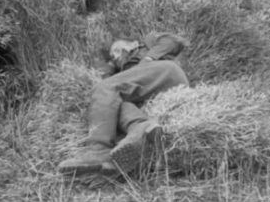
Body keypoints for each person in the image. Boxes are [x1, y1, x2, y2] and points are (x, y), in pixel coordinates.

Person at [58, 32, 189, 175]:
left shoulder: (146, 43)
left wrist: (147, 59)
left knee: (104, 88)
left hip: (166, 73)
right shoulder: (123, 73)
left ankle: (97, 150)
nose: (114, 56)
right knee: (114, 101)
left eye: (116, 49)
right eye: (112, 56)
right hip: (158, 94)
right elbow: (104, 83)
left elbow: (174, 41)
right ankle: (141, 127)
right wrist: (110, 65)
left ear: (132, 44)